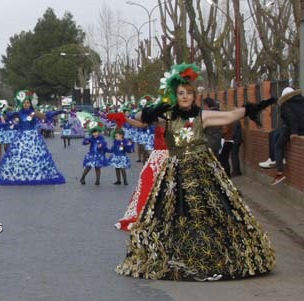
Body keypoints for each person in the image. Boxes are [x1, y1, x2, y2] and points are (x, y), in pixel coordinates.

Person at [116, 62, 276, 281]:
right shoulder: (168, 116)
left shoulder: (202, 116)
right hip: (175, 170)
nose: (184, 97)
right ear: (176, 95)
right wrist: (141, 112)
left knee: (210, 209)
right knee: (173, 212)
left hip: (202, 168)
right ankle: (175, 254)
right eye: (180, 93)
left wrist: (252, 109)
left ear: (194, 96)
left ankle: (215, 253)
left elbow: (228, 117)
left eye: (188, 94)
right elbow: (145, 120)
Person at [0, 91, 66, 185]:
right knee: (19, 157)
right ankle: (19, 175)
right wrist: (1, 115)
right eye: (25, 103)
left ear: (30, 104)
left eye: (28, 102)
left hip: (33, 138)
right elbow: (6, 119)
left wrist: (57, 112)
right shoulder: (18, 113)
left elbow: (46, 116)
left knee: (35, 157)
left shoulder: (34, 113)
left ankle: (36, 175)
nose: (26, 104)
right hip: (21, 138)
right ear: (22, 104)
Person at [259, 87, 304, 185]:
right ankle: (272, 158)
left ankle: (280, 171)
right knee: (273, 134)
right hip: (301, 129)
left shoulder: (285, 105)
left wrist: (294, 132)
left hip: (292, 128)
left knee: (278, 145)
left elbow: (291, 119)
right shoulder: (301, 101)